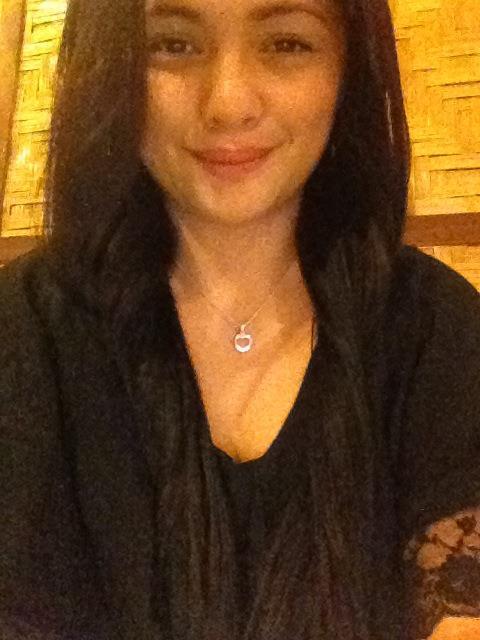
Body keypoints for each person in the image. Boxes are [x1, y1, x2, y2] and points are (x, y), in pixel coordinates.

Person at [1, 0, 479, 638]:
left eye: (286, 44)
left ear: (349, 72)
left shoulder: (438, 328)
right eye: (173, 44)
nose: (227, 103)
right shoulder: (23, 331)